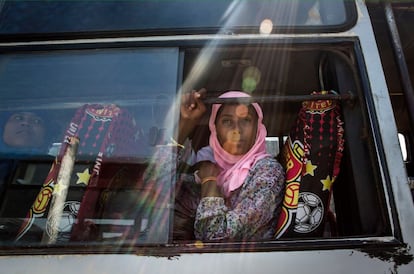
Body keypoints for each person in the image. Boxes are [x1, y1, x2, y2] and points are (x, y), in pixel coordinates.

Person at [192, 91, 285, 241]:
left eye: (246, 120)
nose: (237, 130)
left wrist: (209, 180)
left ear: (258, 128)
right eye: (227, 121)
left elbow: (214, 235)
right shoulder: (208, 166)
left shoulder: (267, 171)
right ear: (214, 128)